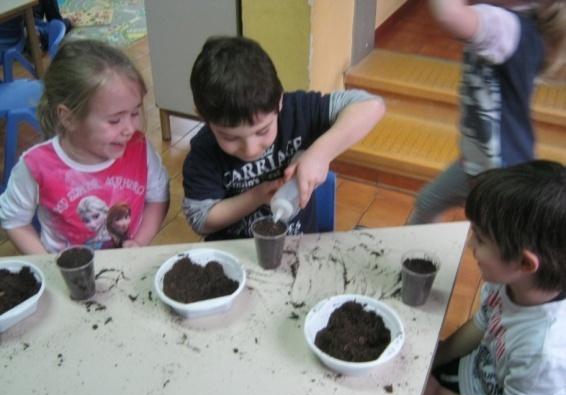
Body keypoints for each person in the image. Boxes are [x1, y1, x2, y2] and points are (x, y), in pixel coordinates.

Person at [183, 36, 385, 240]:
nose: (251, 149)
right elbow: (201, 220)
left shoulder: (298, 112)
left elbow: (371, 106)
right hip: (236, 256)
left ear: (279, 101)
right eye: (230, 137)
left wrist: (319, 154)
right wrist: (257, 196)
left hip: (300, 247)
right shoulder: (204, 152)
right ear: (203, 117)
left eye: (262, 131)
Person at [418, 160, 566, 395]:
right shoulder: (512, 281)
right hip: (475, 374)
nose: (469, 243)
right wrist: (432, 358)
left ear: (524, 262)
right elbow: (482, 322)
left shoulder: (543, 352)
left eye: (481, 239)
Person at [0, 39, 170, 254]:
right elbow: (14, 220)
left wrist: (139, 244)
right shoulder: (37, 165)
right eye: (115, 120)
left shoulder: (139, 148)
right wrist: (49, 266)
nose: (130, 128)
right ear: (69, 118)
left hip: (129, 266)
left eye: (135, 113)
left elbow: (158, 197)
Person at [408, 0, 566, 224]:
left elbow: (448, 14)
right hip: (482, 161)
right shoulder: (524, 18)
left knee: (495, 243)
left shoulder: (505, 26)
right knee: (427, 202)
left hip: (498, 171)